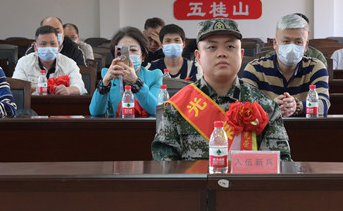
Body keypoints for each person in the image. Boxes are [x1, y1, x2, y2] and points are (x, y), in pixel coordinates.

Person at [153, 18, 291, 161]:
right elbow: (165, 166)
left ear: (241, 54)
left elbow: (279, 163)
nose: (221, 53)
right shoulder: (178, 107)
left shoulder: (265, 106)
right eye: (212, 47)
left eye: (230, 46)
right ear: (198, 57)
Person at [240, 13, 330, 117]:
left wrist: (297, 106)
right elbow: (243, 105)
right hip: (266, 127)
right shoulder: (255, 68)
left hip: (305, 127)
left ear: (305, 46)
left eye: (298, 42)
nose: (291, 47)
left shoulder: (316, 68)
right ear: (275, 43)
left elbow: (324, 105)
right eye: (286, 41)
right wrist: (270, 106)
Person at [89, 27, 164, 117]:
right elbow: (95, 112)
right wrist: (104, 83)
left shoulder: (155, 76)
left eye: (133, 50)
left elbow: (156, 110)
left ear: (143, 56)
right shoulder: (108, 75)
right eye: (123, 51)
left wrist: (136, 82)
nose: (128, 55)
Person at [12, 25, 85, 94]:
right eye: (43, 44)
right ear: (35, 46)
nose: (48, 48)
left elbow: (80, 86)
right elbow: (16, 86)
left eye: (53, 44)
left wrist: (69, 90)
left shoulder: (69, 63)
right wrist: (24, 90)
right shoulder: (24, 62)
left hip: (60, 102)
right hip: (32, 102)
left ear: (58, 45)